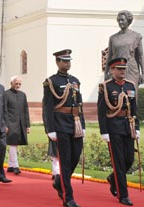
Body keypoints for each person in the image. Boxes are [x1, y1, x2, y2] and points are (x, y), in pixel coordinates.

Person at [42, 49, 85, 207]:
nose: (67, 63)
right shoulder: (51, 82)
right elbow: (47, 107)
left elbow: (79, 105)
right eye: (64, 61)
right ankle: (68, 198)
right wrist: (50, 129)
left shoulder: (75, 81)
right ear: (57, 62)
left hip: (75, 123)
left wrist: (83, 125)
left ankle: (60, 180)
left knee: (75, 157)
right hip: (60, 124)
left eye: (69, 61)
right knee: (65, 161)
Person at [98, 58, 139, 206]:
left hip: (128, 127)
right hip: (113, 127)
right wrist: (104, 131)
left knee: (129, 159)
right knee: (119, 162)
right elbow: (101, 111)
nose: (122, 71)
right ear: (112, 70)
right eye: (119, 68)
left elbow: (134, 109)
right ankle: (123, 195)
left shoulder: (130, 85)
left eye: (124, 68)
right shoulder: (106, 87)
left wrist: (137, 127)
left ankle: (112, 178)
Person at [105, 10, 144, 88]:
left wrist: (143, 73)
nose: (120, 22)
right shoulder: (113, 38)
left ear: (128, 21)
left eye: (122, 20)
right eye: (119, 20)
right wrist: (106, 72)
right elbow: (110, 56)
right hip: (116, 68)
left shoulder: (136, 36)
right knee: (115, 94)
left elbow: (140, 56)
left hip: (131, 69)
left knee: (131, 94)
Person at [4, 76, 30, 175]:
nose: (18, 86)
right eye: (16, 84)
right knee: (13, 143)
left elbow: (26, 110)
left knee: (14, 144)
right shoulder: (6, 94)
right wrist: (5, 124)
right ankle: (15, 166)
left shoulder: (23, 95)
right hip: (10, 123)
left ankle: (10, 165)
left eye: (19, 84)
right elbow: (4, 110)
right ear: (11, 83)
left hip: (21, 123)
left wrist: (28, 125)